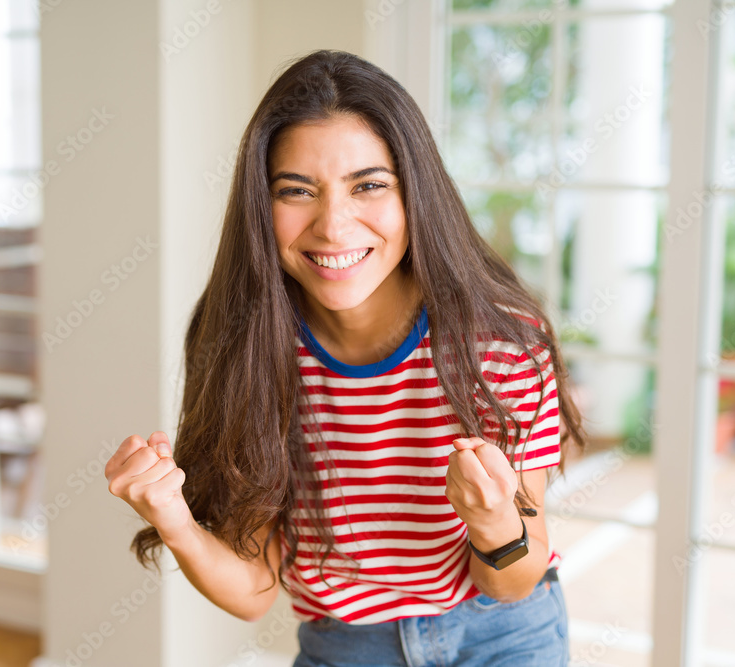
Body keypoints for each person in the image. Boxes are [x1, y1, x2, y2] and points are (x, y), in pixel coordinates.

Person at [105, 49, 586, 666]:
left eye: (369, 185)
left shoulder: (500, 343)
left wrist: (494, 523)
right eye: (296, 191)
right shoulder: (244, 346)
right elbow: (253, 592)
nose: (333, 226)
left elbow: (513, 581)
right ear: (260, 207)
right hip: (344, 646)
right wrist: (174, 519)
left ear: (416, 193)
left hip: (503, 635)